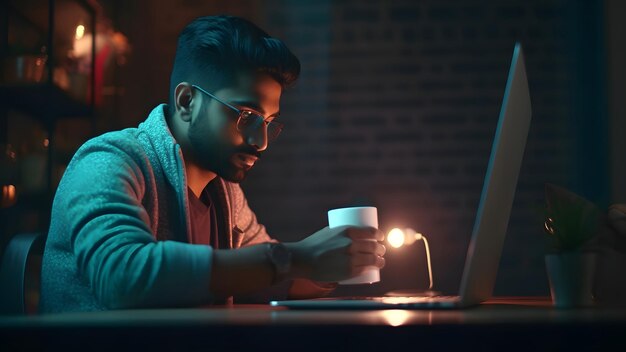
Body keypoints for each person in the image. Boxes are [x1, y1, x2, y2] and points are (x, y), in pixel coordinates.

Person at [40, 15, 386, 312]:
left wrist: (333, 264)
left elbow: (264, 279)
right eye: (247, 115)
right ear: (187, 101)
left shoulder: (226, 192)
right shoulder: (111, 159)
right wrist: (295, 258)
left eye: (268, 122)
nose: (260, 142)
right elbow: (121, 277)